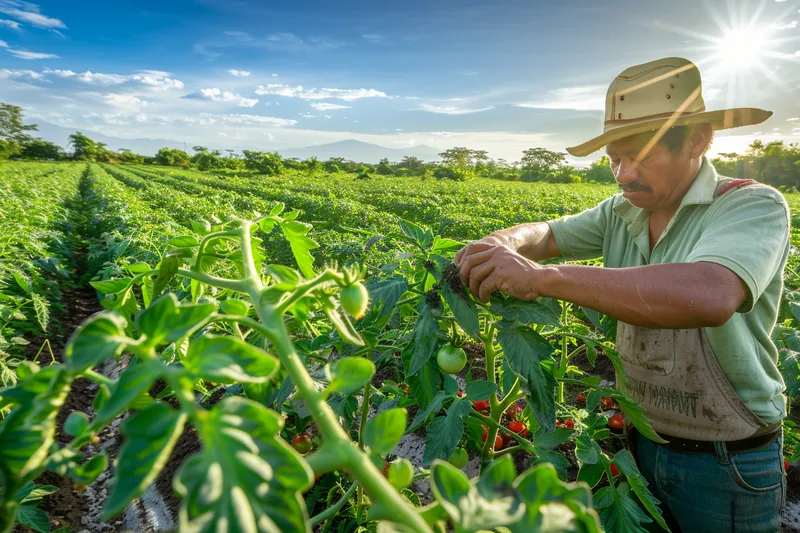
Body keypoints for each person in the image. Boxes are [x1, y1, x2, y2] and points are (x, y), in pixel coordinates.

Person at [455, 57, 789, 532]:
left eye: (641, 155)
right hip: (638, 442)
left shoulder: (751, 205)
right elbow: (547, 233)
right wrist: (505, 243)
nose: (623, 173)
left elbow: (710, 293)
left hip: (726, 459)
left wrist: (542, 279)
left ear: (698, 140)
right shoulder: (621, 210)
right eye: (614, 158)